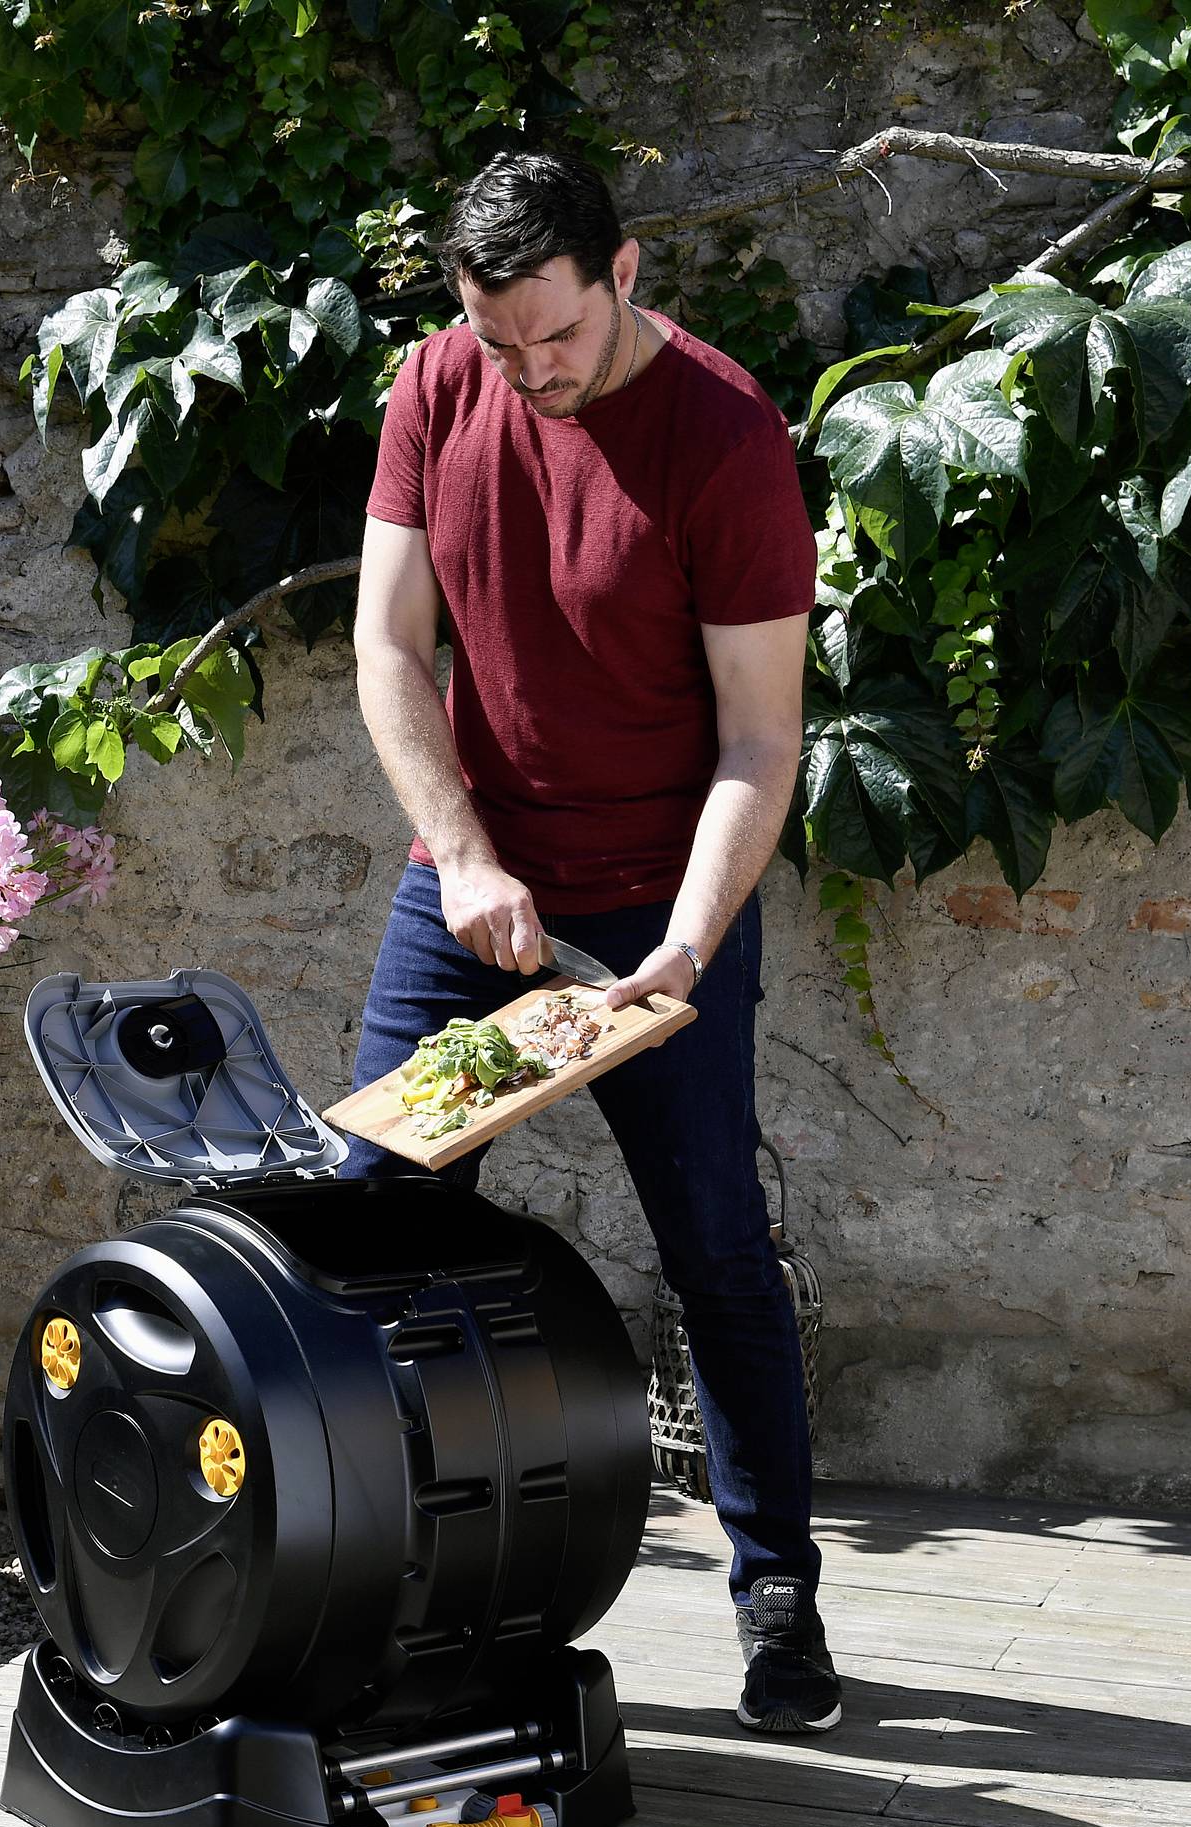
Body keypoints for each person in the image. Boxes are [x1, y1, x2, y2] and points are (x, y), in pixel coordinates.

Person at [342, 148, 834, 1733]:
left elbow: (763, 741)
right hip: (474, 879)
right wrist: (469, 858)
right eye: (502, 343)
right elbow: (387, 648)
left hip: (662, 899)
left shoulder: (729, 435)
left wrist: (683, 955)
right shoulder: (436, 385)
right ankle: (373, 1584)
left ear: (623, 272)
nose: (532, 373)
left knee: (714, 1251)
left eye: (555, 335)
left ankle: (780, 1600)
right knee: (364, 1230)